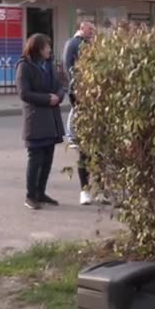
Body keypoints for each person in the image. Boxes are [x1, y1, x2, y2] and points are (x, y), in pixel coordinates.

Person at [16, 33, 67, 210]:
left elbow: (60, 86)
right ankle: (31, 196)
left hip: (51, 119)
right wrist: (47, 98)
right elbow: (24, 93)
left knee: (47, 159)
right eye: (47, 46)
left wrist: (58, 97)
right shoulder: (25, 67)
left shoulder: (49, 65)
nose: (49, 49)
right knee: (35, 159)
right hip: (36, 120)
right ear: (38, 48)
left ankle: (41, 192)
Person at [63, 22, 99, 204]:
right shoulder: (75, 44)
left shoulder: (85, 45)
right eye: (90, 29)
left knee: (98, 152)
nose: (93, 33)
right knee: (86, 152)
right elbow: (71, 73)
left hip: (93, 102)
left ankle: (97, 189)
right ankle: (85, 190)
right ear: (82, 28)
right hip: (83, 101)